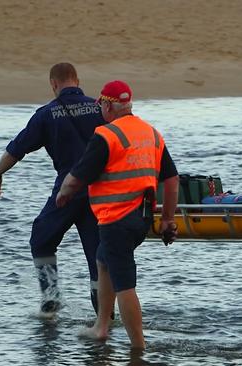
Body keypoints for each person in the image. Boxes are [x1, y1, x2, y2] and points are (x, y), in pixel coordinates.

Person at [56, 80, 179, 349]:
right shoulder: (152, 134)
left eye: (101, 104)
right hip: (141, 219)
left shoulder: (106, 135)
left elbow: (77, 177)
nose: (100, 109)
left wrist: (63, 193)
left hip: (116, 220)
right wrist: (168, 219)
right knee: (103, 261)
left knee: (125, 283)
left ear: (109, 105)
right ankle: (101, 327)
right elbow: (171, 180)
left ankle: (138, 347)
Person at [0, 63, 106, 314]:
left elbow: (16, 149)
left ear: (53, 84)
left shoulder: (46, 114)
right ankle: (106, 317)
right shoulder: (98, 108)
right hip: (100, 194)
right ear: (77, 80)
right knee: (98, 259)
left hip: (67, 192)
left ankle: (51, 299)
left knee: (41, 240)